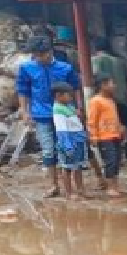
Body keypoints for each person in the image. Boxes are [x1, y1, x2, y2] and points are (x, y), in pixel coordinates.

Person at [17, 35, 81, 198]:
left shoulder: (65, 68)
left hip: (65, 114)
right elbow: (23, 91)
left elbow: (76, 88)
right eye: (35, 55)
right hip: (41, 115)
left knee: (69, 149)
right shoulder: (26, 68)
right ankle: (53, 186)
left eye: (40, 54)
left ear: (49, 52)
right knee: (48, 151)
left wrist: (79, 108)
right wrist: (25, 112)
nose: (38, 58)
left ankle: (74, 187)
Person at [88, 73, 126, 198]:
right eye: (111, 83)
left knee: (117, 161)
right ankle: (110, 187)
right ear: (103, 85)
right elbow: (92, 120)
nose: (114, 86)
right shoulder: (95, 101)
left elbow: (115, 117)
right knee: (110, 161)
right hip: (104, 137)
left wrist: (120, 128)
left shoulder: (110, 100)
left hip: (115, 135)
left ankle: (116, 185)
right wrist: (93, 136)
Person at [50, 83, 90, 199]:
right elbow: (62, 130)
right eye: (68, 95)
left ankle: (80, 189)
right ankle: (69, 192)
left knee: (78, 166)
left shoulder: (68, 106)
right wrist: (67, 145)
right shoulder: (58, 110)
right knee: (67, 167)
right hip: (69, 141)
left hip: (78, 140)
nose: (71, 97)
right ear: (58, 96)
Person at [90, 36, 127, 127]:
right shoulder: (119, 61)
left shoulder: (95, 60)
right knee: (124, 123)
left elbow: (94, 77)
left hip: (106, 99)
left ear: (94, 47)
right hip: (121, 97)